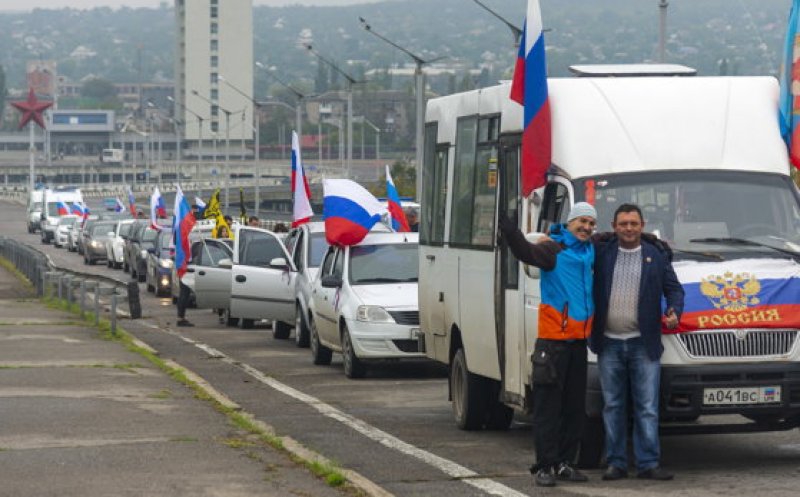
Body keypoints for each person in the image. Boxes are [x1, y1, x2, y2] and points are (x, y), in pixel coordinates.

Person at [498, 202, 597, 487]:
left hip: (578, 343)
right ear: (570, 222)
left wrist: (653, 240)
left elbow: (620, 238)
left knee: (574, 409)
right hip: (552, 344)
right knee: (547, 409)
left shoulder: (590, 250)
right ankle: (544, 466)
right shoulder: (553, 250)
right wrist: (511, 230)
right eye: (582, 222)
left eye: (591, 223)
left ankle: (565, 462)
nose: (587, 228)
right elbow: (524, 253)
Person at [590, 203, 684, 482]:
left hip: (644, 344)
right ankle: (616, 463)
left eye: (633, 223)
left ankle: (648, 464)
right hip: (609, 344)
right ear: (614, 226)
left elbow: (675, 290)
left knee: (647, 407)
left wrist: (675, 311)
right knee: (613, 406)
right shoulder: (602, 254)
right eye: (623, 224)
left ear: (642, 226)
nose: (628, 228)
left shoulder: (655, 256)